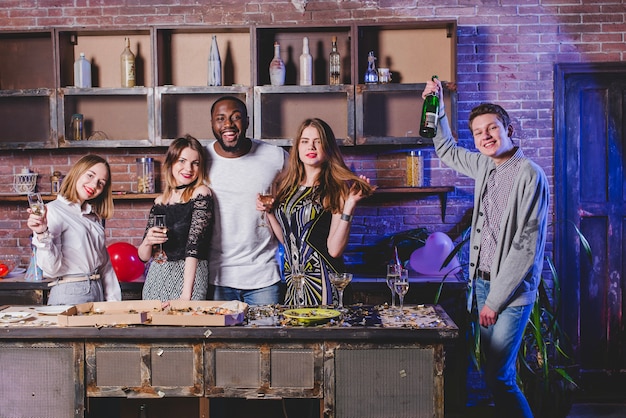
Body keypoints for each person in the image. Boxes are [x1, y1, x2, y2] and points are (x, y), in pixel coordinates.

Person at [422, 79, 549, 418]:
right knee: (493, 374)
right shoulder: (483, 166)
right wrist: (437, 104)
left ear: (508, 129)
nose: (485, 136)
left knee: (499, 375)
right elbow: (446, 149)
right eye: (478, 132)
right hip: (479, 285)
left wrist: (494, 300)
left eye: (492, 128)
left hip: (510, 293)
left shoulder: (529, 175)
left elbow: (526, 245)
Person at [259, 118, 374, 306]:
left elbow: (334, 250)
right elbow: (287, 240)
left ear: (327, 147)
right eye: (305, 141)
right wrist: (269, 212)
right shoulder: (287, 188)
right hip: (293, 283)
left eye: (317, 141)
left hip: (324, 284)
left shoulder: (336, 189)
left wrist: (350, 205)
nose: (311, 147)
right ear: (297, 147)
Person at [206, 96, 288, 305]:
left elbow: (302, 188)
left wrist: (277, 201)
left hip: (264, 278)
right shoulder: (200, 159)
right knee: (218, 339)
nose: (228, 125)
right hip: (217, 279)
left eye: (236, 117)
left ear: (247, 121)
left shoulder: (275, 156)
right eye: (221, 118)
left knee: (267, 338)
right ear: (212, 123)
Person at [26, 154, 121, 305]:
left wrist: (114, 302)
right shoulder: (53, 211)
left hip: (97, 290)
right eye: (90, 175)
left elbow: (105, 265)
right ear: (77, 172)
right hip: (70, 292)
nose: (94, 185)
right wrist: (41, 233)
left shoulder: (93, 217)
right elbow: (51, 269)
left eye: (101, 183)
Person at [139, 134, 214, 304]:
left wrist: (186, 295)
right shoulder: (160, 201)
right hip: (157, 276)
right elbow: (143, 257)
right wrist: (147, 241)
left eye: (195, 163)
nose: (188, 168)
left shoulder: (201, 193)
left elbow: (194, 248)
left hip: (189, 278)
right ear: (171, 163)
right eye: (182, 161)